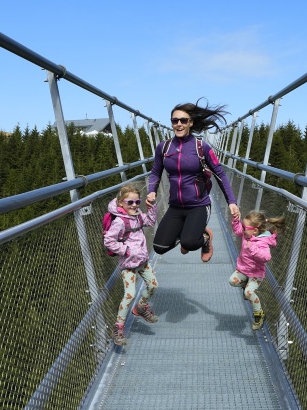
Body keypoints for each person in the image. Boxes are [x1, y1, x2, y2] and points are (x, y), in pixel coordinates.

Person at [146, 100, 241, 261]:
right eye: (175, 120)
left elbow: (220, 174)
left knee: (189, 243)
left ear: (190, 123)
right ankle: (187, 233)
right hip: (175, 206)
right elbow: (155, 171)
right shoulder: (163, 147)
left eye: (183, 120)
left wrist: (231, 202)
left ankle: (205, 237)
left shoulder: (202, 147)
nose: (179, 124)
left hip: (198, 205)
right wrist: (151, 191)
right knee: (159, 248)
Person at [104, 183, 159, 347]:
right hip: (128, 264)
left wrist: (152, 207)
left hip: (142, 261)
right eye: (130, 202)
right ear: (121, 203)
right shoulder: (120, 222)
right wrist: (126, 251)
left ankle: (141, 308)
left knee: (153, 285)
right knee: (129, 294)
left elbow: (149, 221)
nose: (135, 205)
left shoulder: (138, 215)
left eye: (137, 202)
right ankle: (118, 327)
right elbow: (108, 241)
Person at [229, 211, 286, 330]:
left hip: (256, 273)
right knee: (232, 281)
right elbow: (237, 230)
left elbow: (266, 257)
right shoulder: (246, 234)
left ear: (255, 230)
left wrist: (253, 249)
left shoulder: (262, 242)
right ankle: (246, 287)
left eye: (245, 227)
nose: (242, 228)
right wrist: (235, 220)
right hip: (244, 269)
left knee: (249, 293)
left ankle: (259, 315)